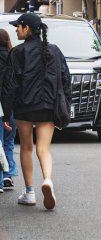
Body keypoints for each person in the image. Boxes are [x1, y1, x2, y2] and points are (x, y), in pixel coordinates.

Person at [2, 13, 71, 209]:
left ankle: (30, 192)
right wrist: (65, 104)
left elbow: (10, 85)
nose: (16, 30)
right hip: (49, 107)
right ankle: (47, 180)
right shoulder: (55, 50)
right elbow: (65, 80)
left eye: (18, 26)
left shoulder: (17, 52)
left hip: (24, 107)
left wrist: (6, 113)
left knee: (26, 148)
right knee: (44, 148)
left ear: (27, 28)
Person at [0, 29, 18, 192]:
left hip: (1, 106)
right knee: (8, 142)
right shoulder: (13, 58)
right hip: (10, 107)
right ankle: (8, 174)